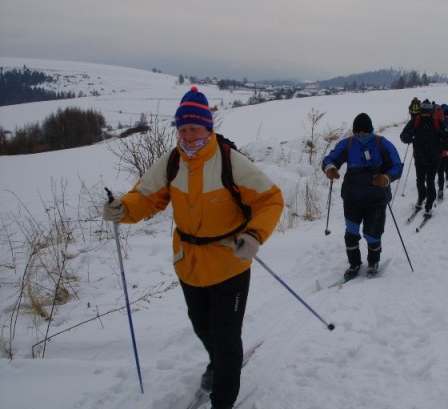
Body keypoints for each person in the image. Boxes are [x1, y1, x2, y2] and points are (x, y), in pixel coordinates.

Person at [103, 86, 284, 409]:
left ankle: (223, 399)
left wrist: (255, 235)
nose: (187, 135)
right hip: (189, 263)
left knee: (226, 335)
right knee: (203, 327)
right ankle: (218, 362)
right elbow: (146, 197)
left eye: (194, 128)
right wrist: (123, 209)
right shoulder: (172, 162)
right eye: (182, 128)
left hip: (231, 261)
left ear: (208, 127)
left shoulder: (230, 160)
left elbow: (270, 198)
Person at [322, 113, 403, 279]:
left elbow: (397, 166)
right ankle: (354, 263)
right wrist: (330, 168)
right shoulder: (348, 144)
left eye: (364, 133)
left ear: (371, 130)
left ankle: (373, 261)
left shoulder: (382, 144)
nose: (361, 136)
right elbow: (331, 158)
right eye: (357, 133)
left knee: (372, 234)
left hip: (377, 199)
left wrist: (386, 178)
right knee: (351, 233)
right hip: (352, 197)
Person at [400, 100, 448, 215]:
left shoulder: (437, 122)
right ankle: (421, 197)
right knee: (420, 181)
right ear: (420, 111)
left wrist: (446, 145)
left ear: (431, 111)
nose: (425, 115)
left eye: (427, 112)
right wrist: (408, 138)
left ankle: (429, 205)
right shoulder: (415, 121)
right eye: (423, 112)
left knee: (430, 181)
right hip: (419, 157)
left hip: (434, 157)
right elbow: (403, 135)